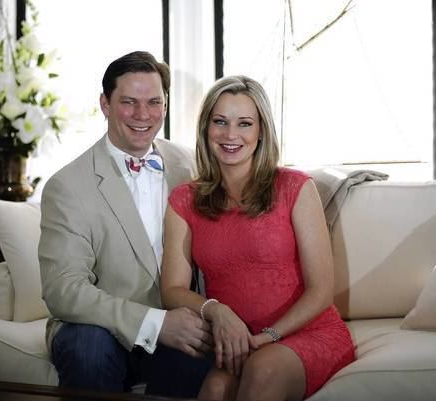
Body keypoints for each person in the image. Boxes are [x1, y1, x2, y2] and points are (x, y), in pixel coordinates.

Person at [161, 75, 356, 401]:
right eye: (220, 122)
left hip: (307, 334)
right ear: (206, 129)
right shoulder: (184, 200)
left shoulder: (295, 187)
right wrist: (217, 311)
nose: (230, 135)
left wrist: (267, 337)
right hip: (238, 340)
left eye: (245, 123)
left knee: (261, 370)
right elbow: (172, 290)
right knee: (214, 389)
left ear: (261, 130)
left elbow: (321, 291)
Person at [38, 51, 212, 397]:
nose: (142, 115)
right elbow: (64, 290)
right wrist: (155, 324)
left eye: (153, 102)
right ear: (105, 104)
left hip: (177, 320)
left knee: (198, 355)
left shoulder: (189, 165)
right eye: (128, 102)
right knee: (87, 349)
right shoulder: (67, 186)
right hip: (97, 327)